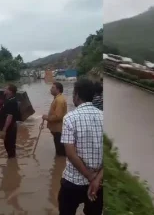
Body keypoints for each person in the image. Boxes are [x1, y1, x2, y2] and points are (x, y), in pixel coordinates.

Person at [58, 78, 103, 215]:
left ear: (76, 95)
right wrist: (96, 180)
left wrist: (89, 177)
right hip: (98, 184)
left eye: (73, 93)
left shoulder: (69, 118)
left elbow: (71, 154)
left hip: (73, 181)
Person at [42, 82, 67, 156]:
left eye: (53, 88)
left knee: (60, 153)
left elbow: (58, 116)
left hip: (58, 130)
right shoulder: (58, 98)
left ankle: (60, 165)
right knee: (60, 150)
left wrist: (47, 118)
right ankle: (60, 164)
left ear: (58, 89)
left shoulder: (59, 100)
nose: (50, 89)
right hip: (58, 129)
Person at [0, 84, 19, 158]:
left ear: (10, 91)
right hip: (9, 127)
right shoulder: (8, 99)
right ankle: (12, 161)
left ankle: (12, 163)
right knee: (7, 144)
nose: (4, 90)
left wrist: (4, 129)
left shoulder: (12, 102)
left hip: (10, 128)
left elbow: (9, 117)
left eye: (6, 89)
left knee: (9, 145)